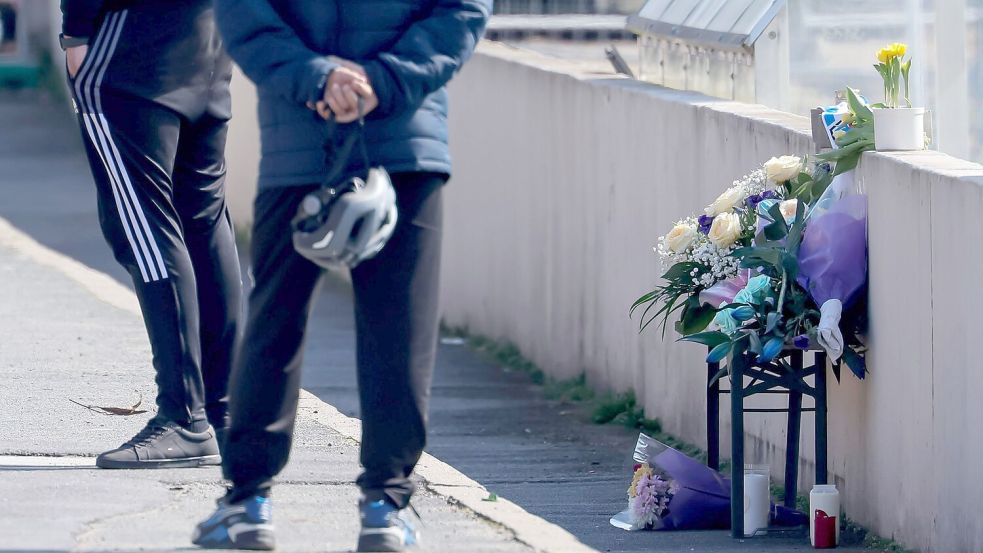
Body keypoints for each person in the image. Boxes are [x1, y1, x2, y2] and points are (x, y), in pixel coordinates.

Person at [191, 1, 490, 551]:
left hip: (302, 141)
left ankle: (248, 501)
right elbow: (461, 11)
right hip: (405, 138)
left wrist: (319, 78)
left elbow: (244, 14)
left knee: (274, 325)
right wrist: (383, 81)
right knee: (399, 329)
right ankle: (385, 505)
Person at [60, 0, 241, 468]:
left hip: (131, 38)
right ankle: (223, 412)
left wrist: (76, 31)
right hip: (211, 36)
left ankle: (184, 417)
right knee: (201, 219)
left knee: (142, 228)